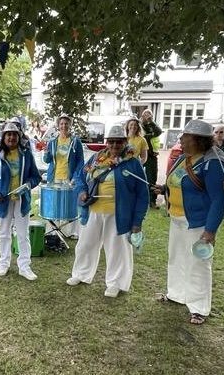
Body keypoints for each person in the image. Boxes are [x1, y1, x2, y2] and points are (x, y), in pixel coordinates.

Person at [152, 119, 224, 325]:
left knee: (198, 263)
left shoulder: (212, 163)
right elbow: (179, 182)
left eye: (185, 137)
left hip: (199, 222)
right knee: (176, 257)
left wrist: (210, 230)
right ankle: (177, 294)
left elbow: (218, 198)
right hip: (177, 217)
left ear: (198, 140)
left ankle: (199, 307)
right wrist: (164, 189)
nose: (181, 140)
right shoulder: (183, 158)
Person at [69, 125, 148, 296]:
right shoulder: (96, 158)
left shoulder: (133, 163)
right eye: (111, 141)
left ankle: (116, 283)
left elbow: (143, 194)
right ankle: (81, 274)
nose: (114, 145)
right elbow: (79, 177)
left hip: (118, 213)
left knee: (117, 249)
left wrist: (137, 222)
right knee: (85, 244)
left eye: (118, 142)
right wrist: (82, 192)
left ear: (125, 142)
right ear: (106, 142)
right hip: (93, 210)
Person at [0, 122, 43, 280]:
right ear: (3, 137)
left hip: (21, 201)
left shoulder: (26, 154)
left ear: (19, 137)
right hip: (3, 201)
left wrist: (28, 185)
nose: (11, 137)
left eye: (14, 134)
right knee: (4, 233)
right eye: (8, 134)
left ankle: (24, 266)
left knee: (23, 234)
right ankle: (4, 263)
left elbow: (36, 176)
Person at [42, 113, 84, 238]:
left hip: (69, 178)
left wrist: (75, 177)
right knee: (54, 204)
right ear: (58, 126)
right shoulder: (53, 141)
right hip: (54, 176)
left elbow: (80, 162)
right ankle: (53, 230)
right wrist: (46, 153)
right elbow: (47, 160)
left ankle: (71, 232)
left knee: (70, 204)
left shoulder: (76, 142)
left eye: (66, 123)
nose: (64, 126)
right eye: (61, 124)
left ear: (70, 125)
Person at [140, 109, 163, 208]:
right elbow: (142, 135)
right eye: (145, 114)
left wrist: (151, 122)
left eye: (149, 114)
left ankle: (152, 201)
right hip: (140, 155)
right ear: (142, 116)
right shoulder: (139, 125)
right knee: (137, 177)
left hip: (151, 156)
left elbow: (158, 132)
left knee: (152, 178)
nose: (147, 116)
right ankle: (138, 199)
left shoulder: (153, 125)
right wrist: (149, 135)